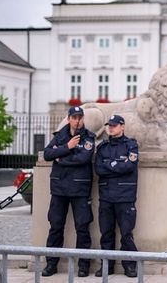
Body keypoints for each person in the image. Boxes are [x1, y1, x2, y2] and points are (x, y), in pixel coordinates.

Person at [42, 106, 95, 277]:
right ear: (69, 118)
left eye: (80, 117)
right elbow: (48, 154)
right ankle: (51, 263)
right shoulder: (60, 136)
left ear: (83, 119)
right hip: (59, 189)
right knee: (56, 227)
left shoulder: (88, 138)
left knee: (82, 227)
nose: (77, 121)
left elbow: (83, 158)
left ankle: (83, 264)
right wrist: (68, 146)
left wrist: (61, 157)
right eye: (74, 117)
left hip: (79, 189)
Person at [94, 114, 139, 278]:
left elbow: (129, 166)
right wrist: (117, 165)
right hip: (106, 196)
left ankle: (130, 266)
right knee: (106, 234)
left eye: (114, 125)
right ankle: (107, 265)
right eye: (109, 125)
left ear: (122, 126)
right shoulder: (103, 147)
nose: (111, 128)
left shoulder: (131, 145)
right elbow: (98, 169)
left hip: (125, 196)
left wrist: (110, 165)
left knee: (126, 234)